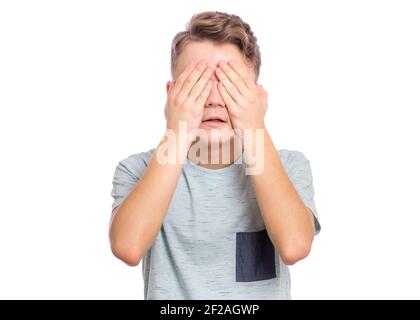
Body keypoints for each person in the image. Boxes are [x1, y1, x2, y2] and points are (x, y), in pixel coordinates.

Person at [109, 11, 321, 299]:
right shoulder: (139, 168)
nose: (213, 99)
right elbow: (128, 247)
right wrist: (177, 131)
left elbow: (295, 246)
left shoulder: (287, 165)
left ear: (257, 97)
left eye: (230, 84)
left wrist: (254, 128)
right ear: (172, 94)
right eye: (197, 84)